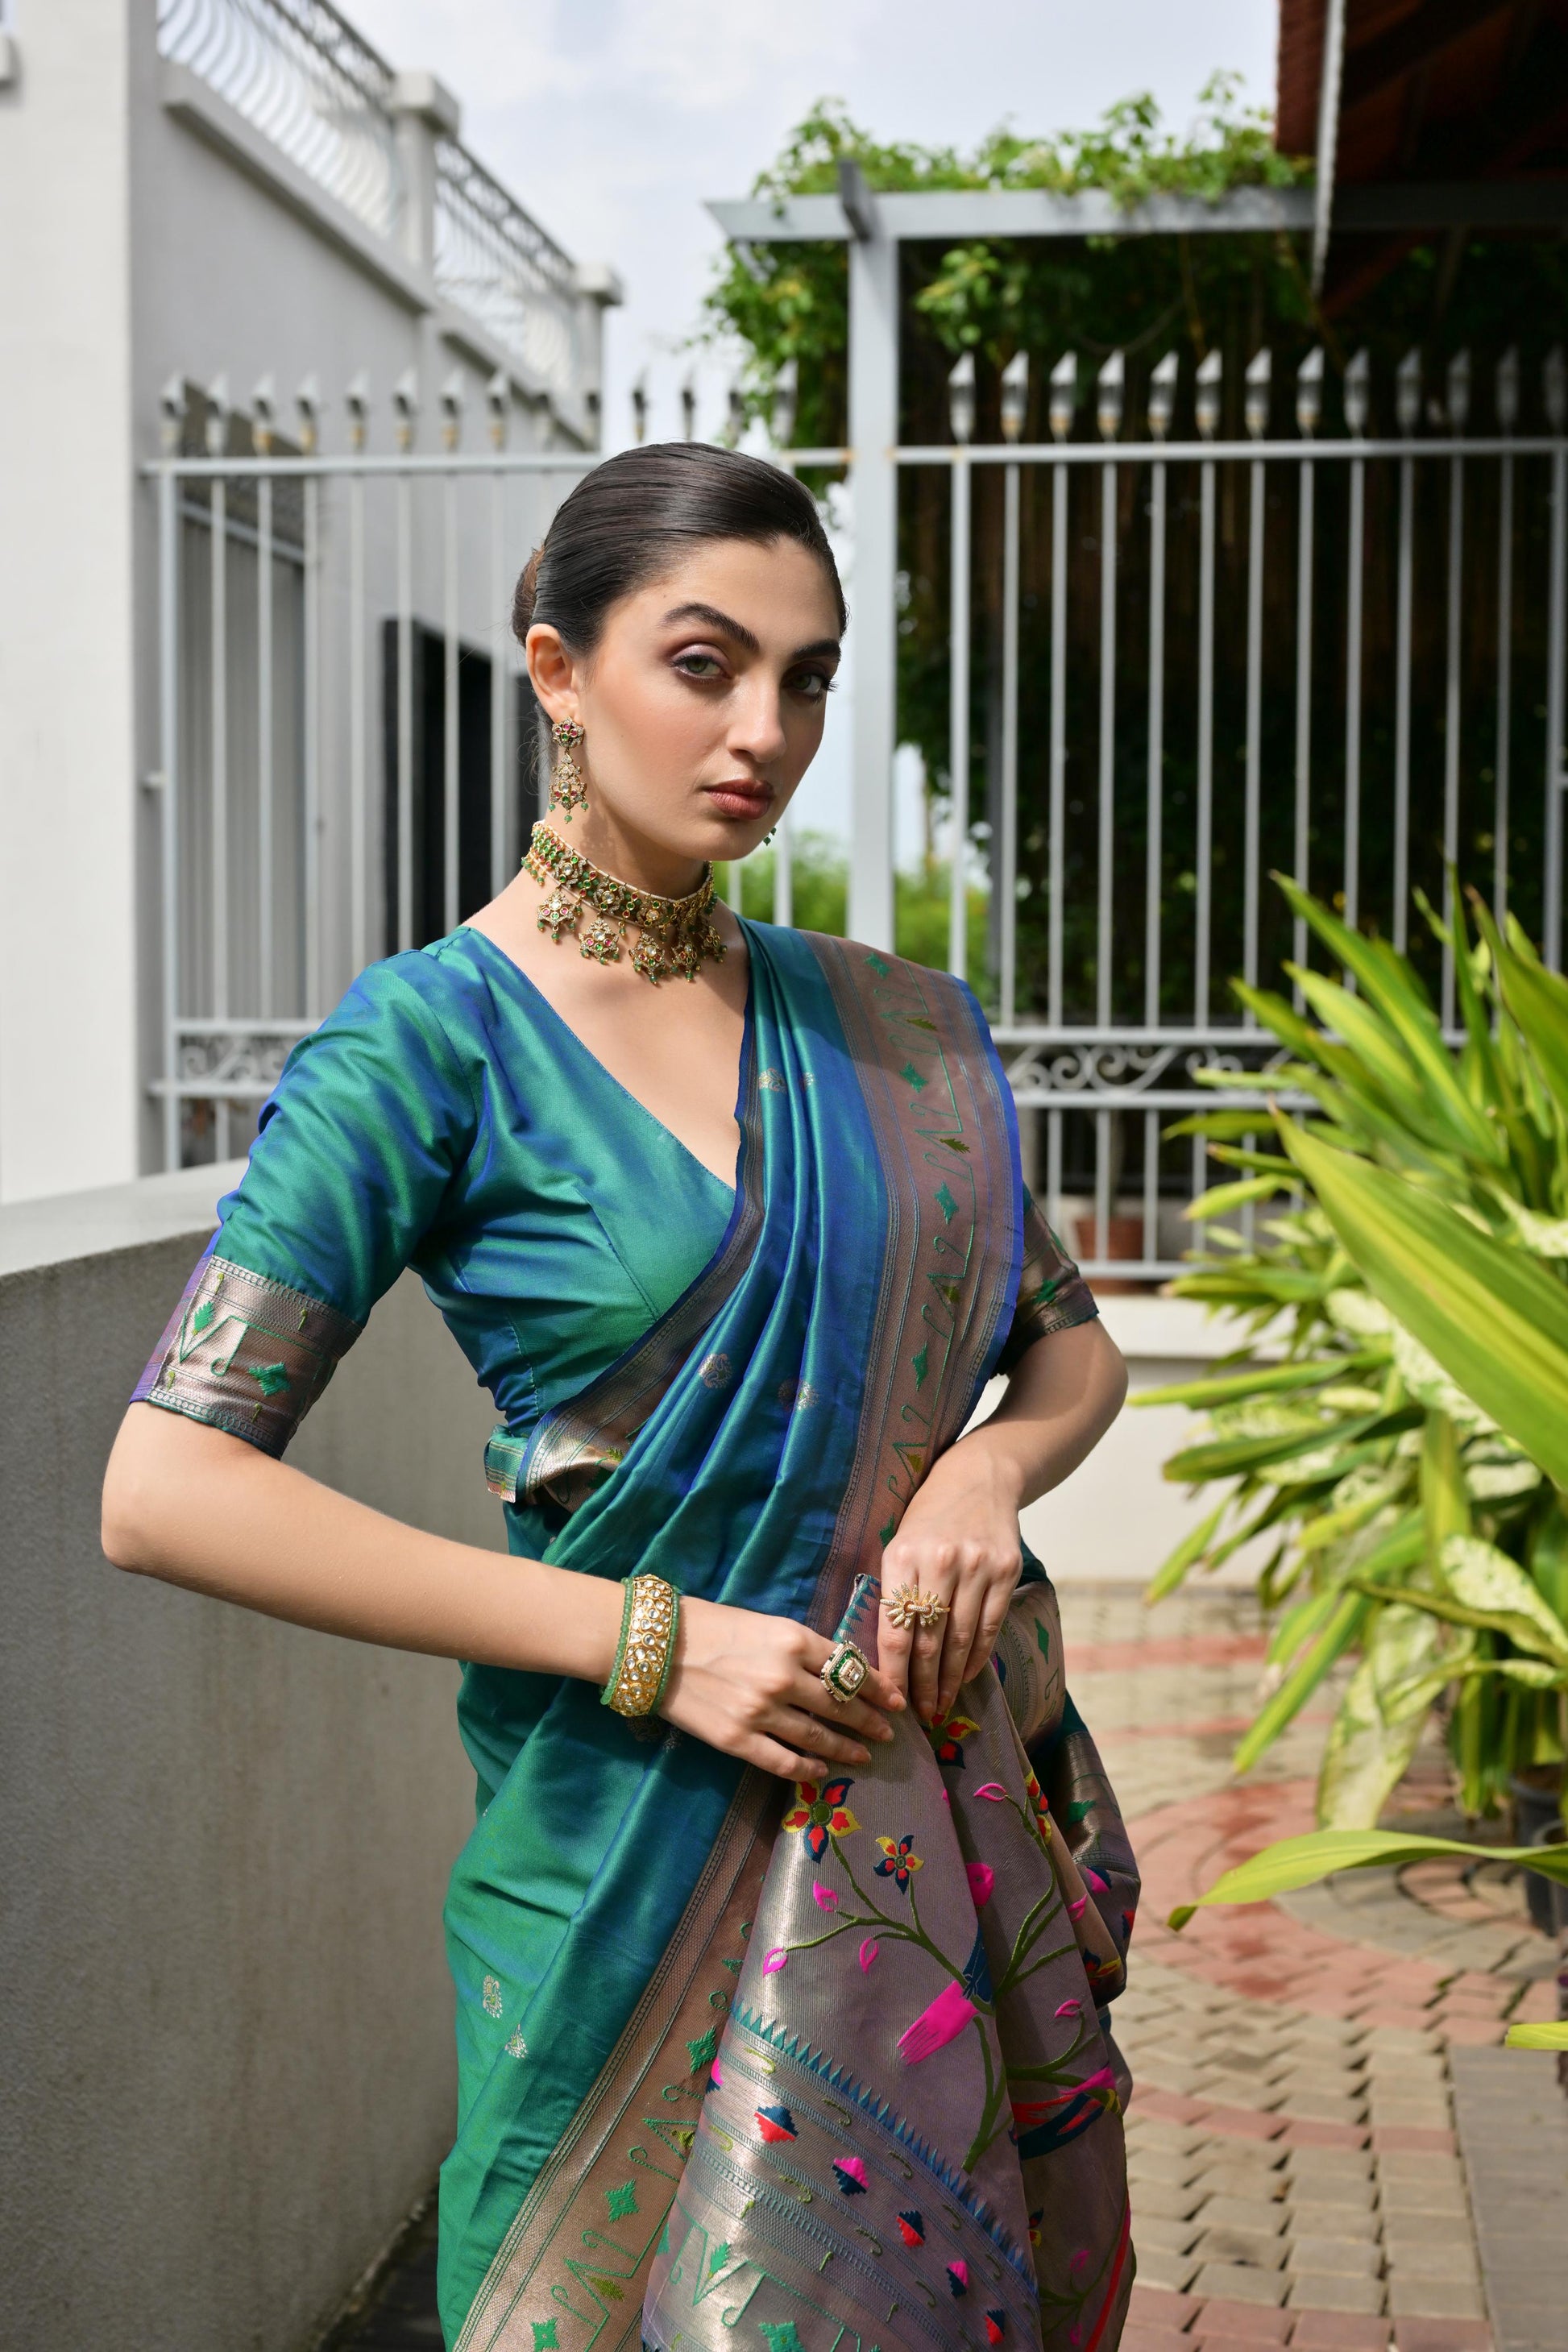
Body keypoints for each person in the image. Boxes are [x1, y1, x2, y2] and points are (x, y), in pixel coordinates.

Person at [102, 442, 1137, 2352]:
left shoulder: (890, 1030)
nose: (762, 731)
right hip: (611, 1854)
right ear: (558, 668)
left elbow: (1068, 1345)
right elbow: (165, 1483)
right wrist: (660, 1641)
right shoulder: (426, 1047)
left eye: (805, 679)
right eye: (703, 662)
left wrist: (985, 1471)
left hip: (916, 1837)